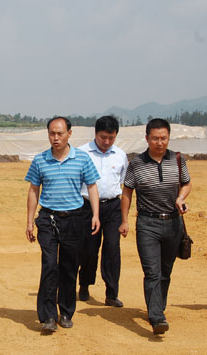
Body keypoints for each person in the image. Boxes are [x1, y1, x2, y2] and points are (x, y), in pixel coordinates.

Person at [25, 116, 101, 332]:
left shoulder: (82, 159)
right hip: (48, 219)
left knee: (69, 267)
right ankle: (47, 316)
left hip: (74, 219)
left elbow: (92, 187)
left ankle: (66, 311)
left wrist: (95, 215)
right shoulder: (40, 160)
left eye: (60, 133)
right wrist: (30, 221)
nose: (55, 138)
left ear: (69, 133)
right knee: (49, 265)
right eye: (51, 133)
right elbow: (33, 190)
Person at [118, 118, 191, 335]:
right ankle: (157, 316)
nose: (160, 143)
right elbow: (127, 192)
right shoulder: (137, 163)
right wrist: (125, 220)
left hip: (173, 223)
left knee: (165, 272)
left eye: (164, 138)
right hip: (147, 224)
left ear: (169, 138)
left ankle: (158, 306)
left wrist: (181, 198)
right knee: (152, 271)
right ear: (147, 138)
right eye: (155, 138)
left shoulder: (177, 159)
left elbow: (186, 183)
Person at [77, 115, 128, 307]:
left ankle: (111, 293)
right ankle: (84, 285)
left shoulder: (121, 155)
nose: (106, 142)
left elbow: (124, 186)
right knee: (89, 249)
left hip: (113, 207)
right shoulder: (82, 153)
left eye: (111, 138)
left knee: (112, 249)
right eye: (103, 137)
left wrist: (124, 219)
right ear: (95, 134)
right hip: (87, 207)